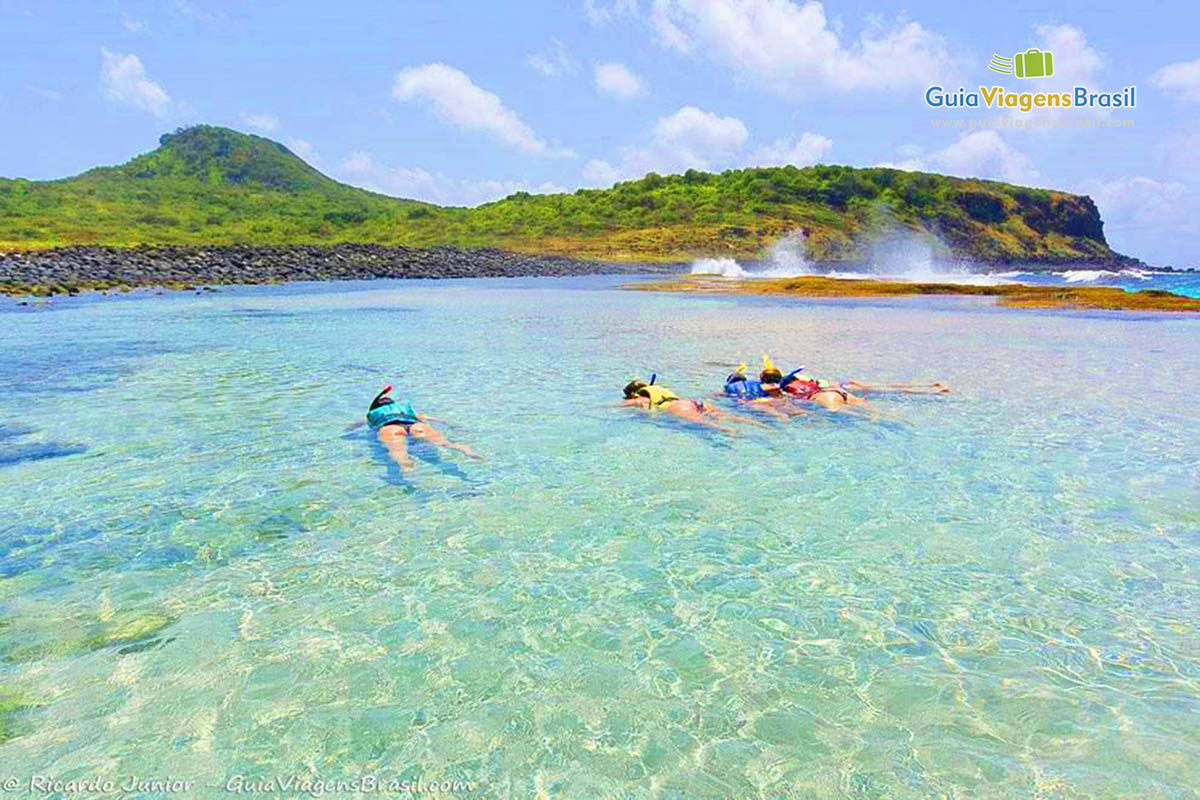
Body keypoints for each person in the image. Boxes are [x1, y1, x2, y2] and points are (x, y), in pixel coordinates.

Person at [353, 385, 480, 472]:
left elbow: (352, 427)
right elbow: (435, 419)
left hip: (390, 429)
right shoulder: (406, 412)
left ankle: (406, 467)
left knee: (399, 453)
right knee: (446, 444)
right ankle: (466, 450)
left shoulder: (372, 416)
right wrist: (452, 426)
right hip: (416, 426)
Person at [622, 376, 763, 434]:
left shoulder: (640, 398)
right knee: (730, 417)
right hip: (693, 402)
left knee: (708, 425)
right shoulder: (659, 389)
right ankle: (762, 426)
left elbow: (621, 405)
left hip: (678, 407)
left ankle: (731, 433)